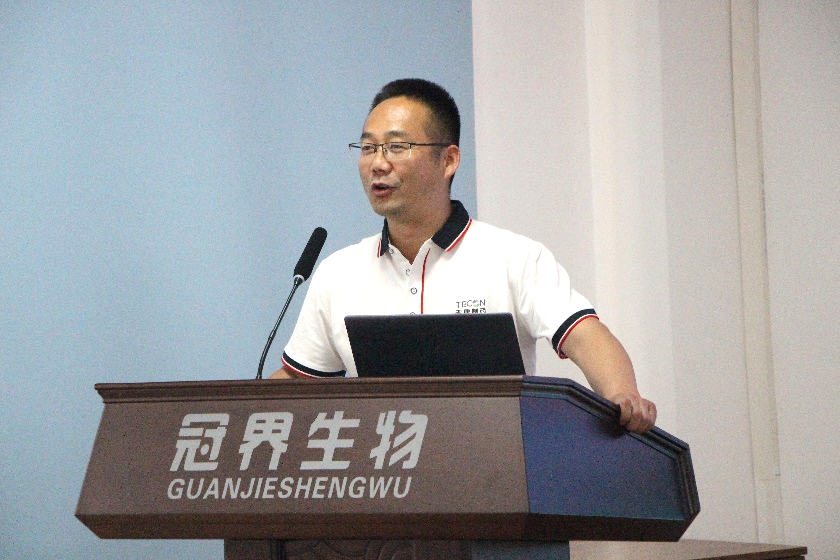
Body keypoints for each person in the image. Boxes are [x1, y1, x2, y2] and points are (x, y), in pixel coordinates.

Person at [271, 78, 657, 433]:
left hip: (495, 466)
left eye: (397, 147)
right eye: (369, 148)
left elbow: (585, 336)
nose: (378, 163)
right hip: (384, 473)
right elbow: (298, 381)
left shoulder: (513, 258)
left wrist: (622, 394)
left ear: (449, 160)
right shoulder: (338, 273)